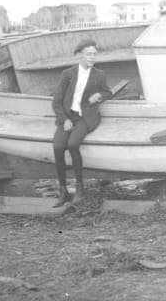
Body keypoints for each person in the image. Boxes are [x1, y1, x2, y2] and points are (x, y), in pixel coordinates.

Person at [51, 39, 111, 206]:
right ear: (79, 55)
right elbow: (56, 102)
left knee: (73, 144)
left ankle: (80, 189)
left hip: (86, 117)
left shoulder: (99, 75)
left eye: (94, 54)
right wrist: (65, 120)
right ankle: (63, 192)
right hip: (68, 117)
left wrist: (99, 95)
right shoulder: (67, 74)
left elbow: (108, 92)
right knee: (57, 147)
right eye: (88, 54)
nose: (92, 58)